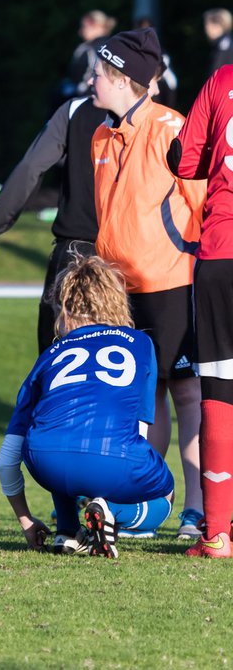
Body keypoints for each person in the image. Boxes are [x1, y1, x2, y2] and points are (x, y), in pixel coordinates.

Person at [90, 26, 205, 540]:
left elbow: (206, 205)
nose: (91, 80)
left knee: (187, 395)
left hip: (171, 283)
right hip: (120, 292)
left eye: (98, 73)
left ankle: (199, 509)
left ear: (121, 80)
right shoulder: (100, 134)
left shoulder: (171, 129)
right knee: (142, 399)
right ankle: (144, 506)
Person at [0, 255, 175, 558]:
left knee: (61, 434)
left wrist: (26, 521)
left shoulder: (51, 354)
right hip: (114, 456)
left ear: (65, 307)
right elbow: (139, 431)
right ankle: (111, 511)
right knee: (164, 495)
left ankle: (67, 532)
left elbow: (5, 461)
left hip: (44, 462)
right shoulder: (140, 343)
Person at [0, 91, 103, 351]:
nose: (90, 81)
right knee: (141, 369)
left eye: (97, 73)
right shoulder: (160, 118)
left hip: (75, 252)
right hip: (131, 255)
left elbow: (31, 167)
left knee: (55, 359)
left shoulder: (76, 110)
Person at [167, 61, 233, 557]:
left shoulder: (222, 78)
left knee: (218, 391)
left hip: (222, 252)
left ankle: (218, 533)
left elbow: (183, 160)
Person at [61, 10, 116, 103]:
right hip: (112, 98)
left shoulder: (86, 49)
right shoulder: (117, 45)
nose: (80, 31)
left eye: (84, 26)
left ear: (93, 24)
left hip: (86, 98)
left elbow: (75, 74)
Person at [204, 9, 233, 77]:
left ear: (216, 26)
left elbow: (216, 72)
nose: (206, 30)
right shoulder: (224, 43)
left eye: (207, 25)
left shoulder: (224, 46)